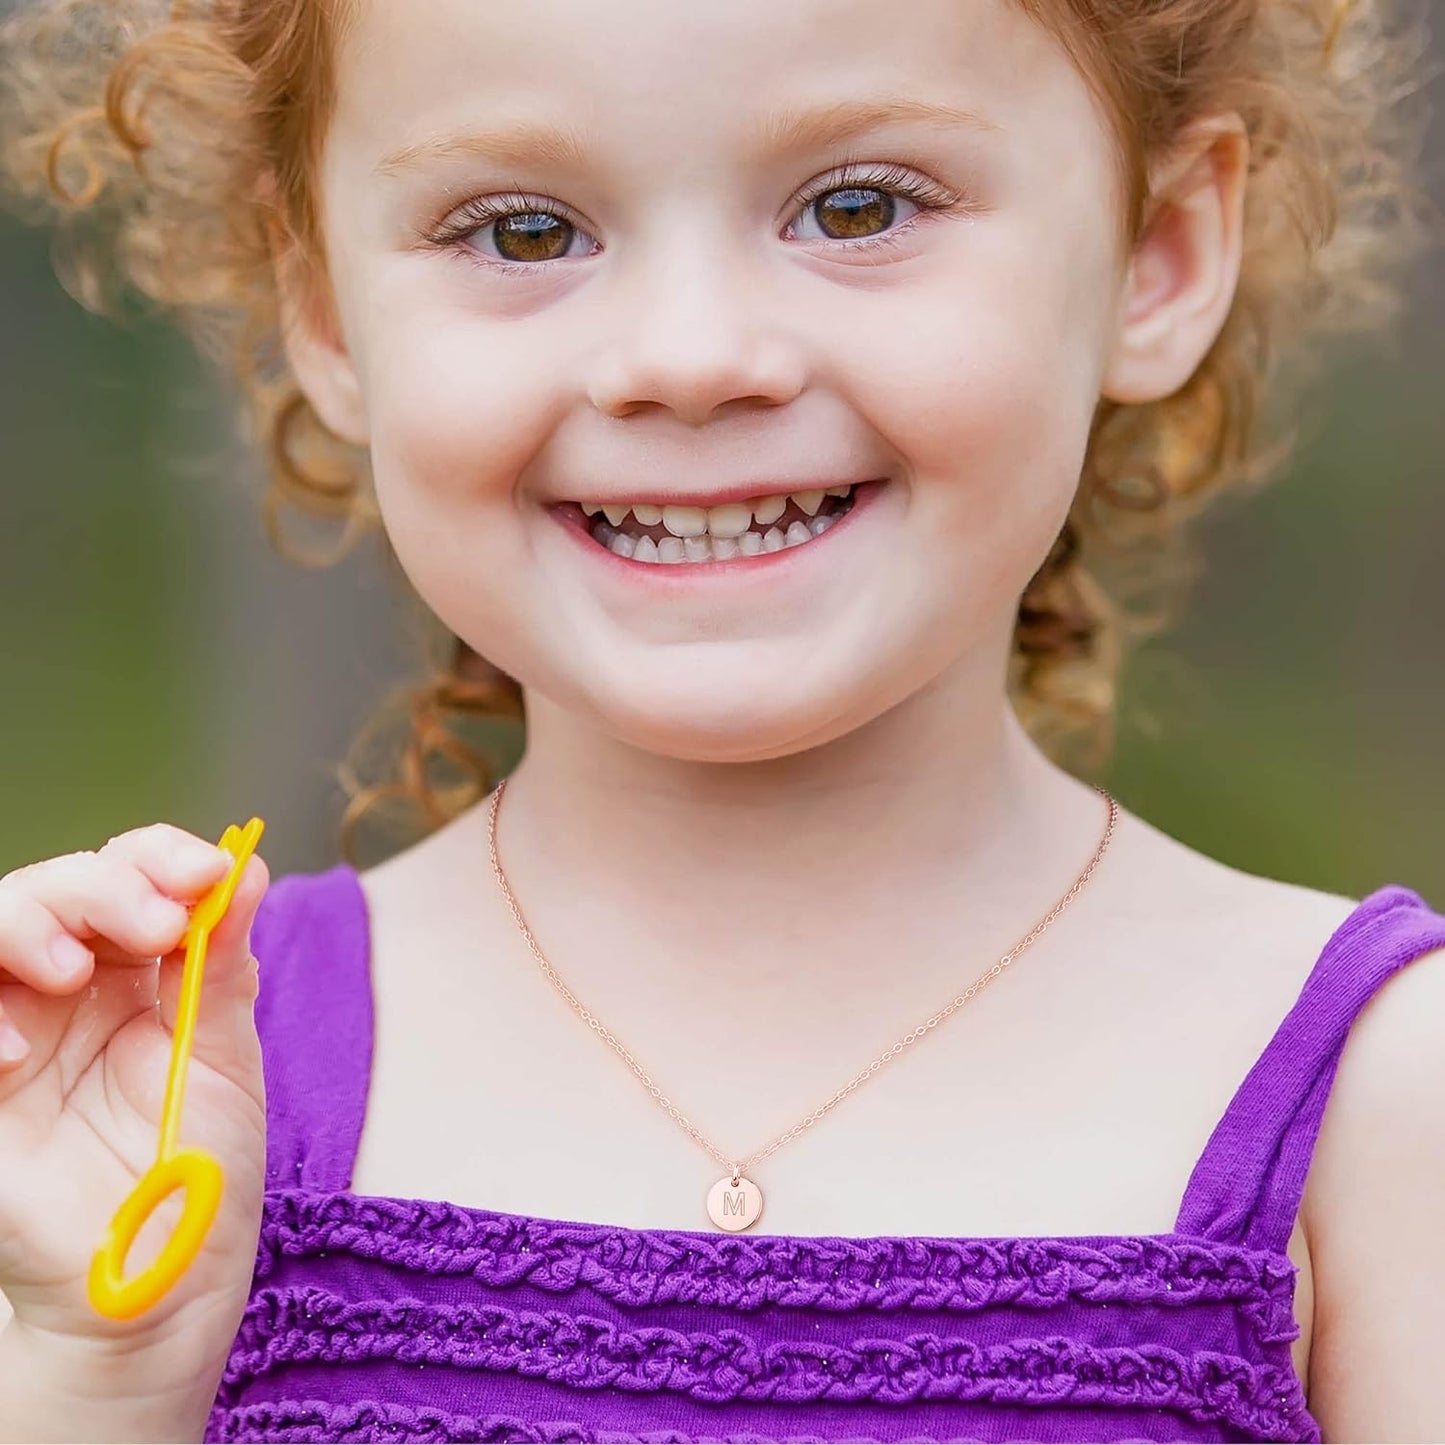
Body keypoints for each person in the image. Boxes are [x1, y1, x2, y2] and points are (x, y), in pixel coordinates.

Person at [0, 0, 1440, 1439]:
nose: (688, 358)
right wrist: (101, 1371)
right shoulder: (170, 1092)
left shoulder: (1381, 1102)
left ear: (1160, 249)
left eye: (857, 205)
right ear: (321, 308)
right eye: (521, 233)